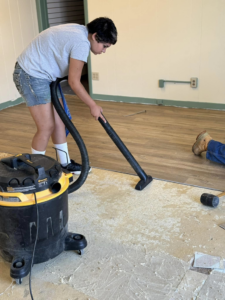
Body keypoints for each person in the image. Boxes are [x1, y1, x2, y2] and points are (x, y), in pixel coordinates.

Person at [13, 17, 117, 174]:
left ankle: (65, 163)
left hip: (46, 75)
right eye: (104, 46)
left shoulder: (82, 32)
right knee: (46, 126)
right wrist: (92, 105)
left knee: (60, 122)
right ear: (95, 36)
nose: (104, 51)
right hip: (30, 74)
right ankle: (35, 172)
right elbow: (74, 82)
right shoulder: (82, 43)